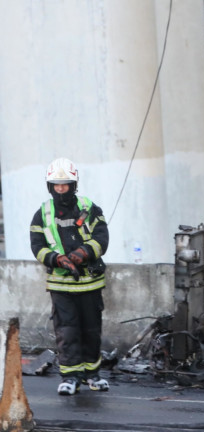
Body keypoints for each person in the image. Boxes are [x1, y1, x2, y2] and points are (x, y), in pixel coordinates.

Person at [29, 158, 110, 396]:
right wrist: (58, 259)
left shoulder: (89, 207)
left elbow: (102, 237)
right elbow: (37, 246)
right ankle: (71, 377)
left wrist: (83, 253)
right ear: (50, 185)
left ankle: (92, 375)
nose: (61, 188)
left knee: (91, 330)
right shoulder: (42, 213)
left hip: (90, 284)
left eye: (65, 184)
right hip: (61, 285)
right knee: (67, 331)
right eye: (56, 184)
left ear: (74, 184)